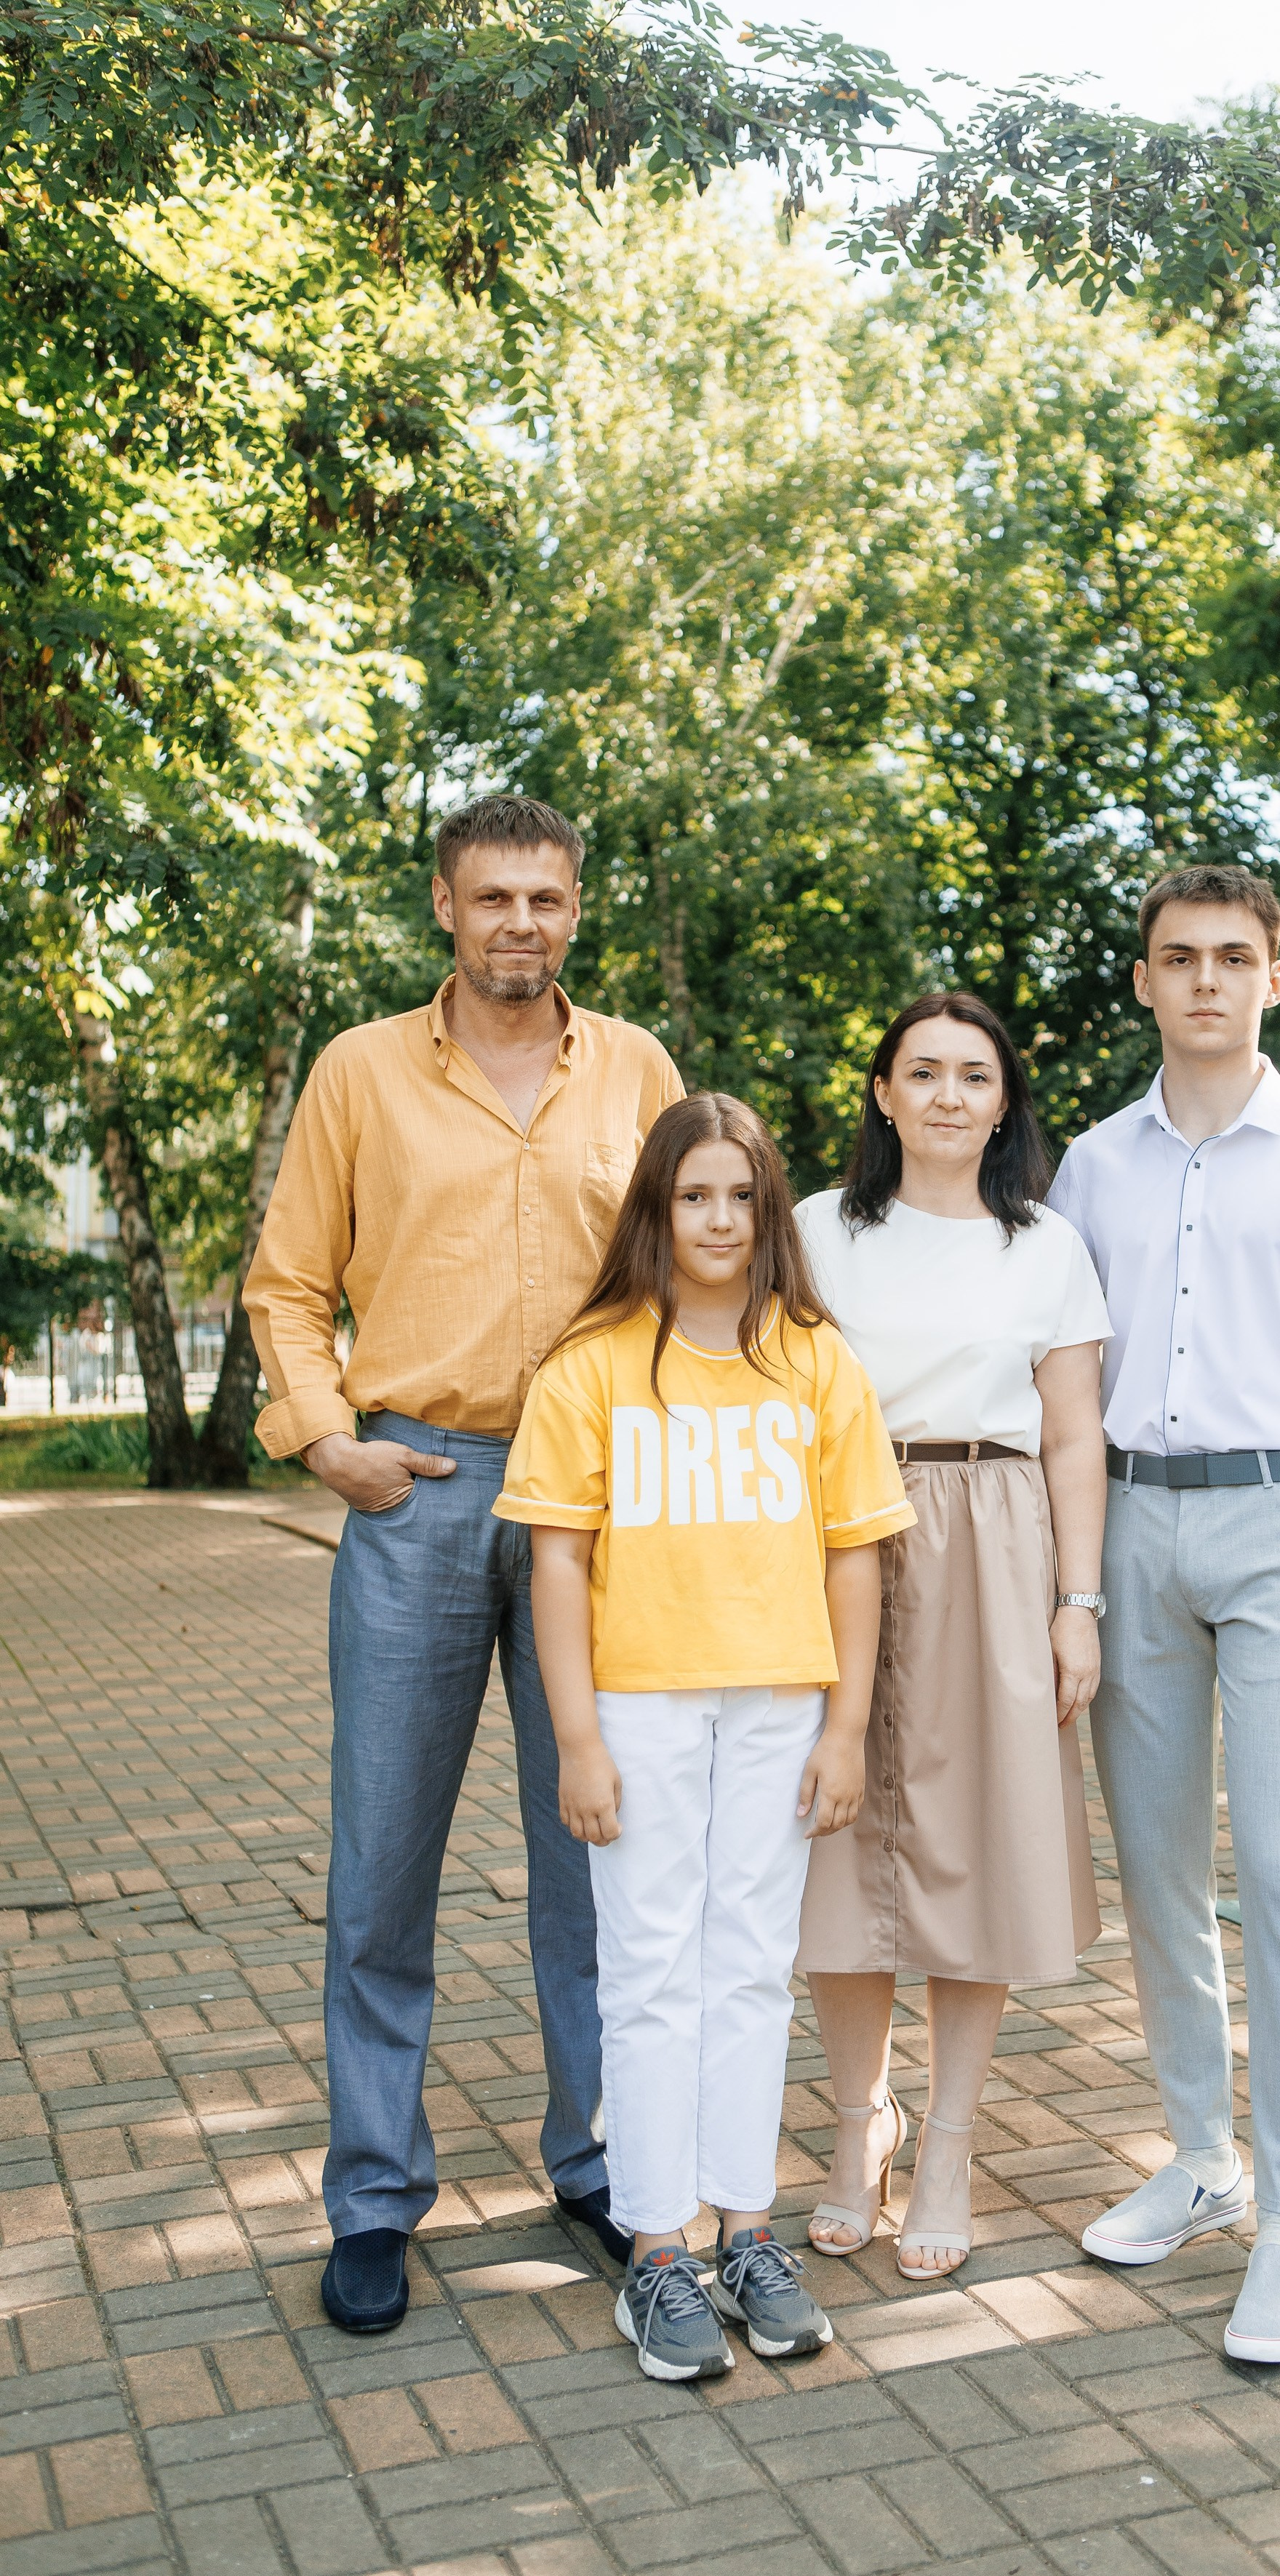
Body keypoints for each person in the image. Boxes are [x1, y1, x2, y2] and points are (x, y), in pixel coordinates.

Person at [244, 793, 683, 2335]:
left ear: (576, 907)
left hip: (597, 1506)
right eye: (492, 895)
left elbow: (694, 1265)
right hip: (416, 1491)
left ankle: (605, 2164)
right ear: (444, 903)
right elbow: (287, 1283)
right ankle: (374, 2195)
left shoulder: (635, 1069)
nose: (519, 922)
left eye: (544, 897)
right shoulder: (360, 1069)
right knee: (380, 1868)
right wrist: (327, 1441)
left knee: (599, 1859)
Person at [1048, 864, 1280, 2366]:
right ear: (1142, 979)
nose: (1203, 977)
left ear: (1272, 974)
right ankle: (1202, 2160)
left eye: (1229, 955)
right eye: (1176, 956)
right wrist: (1067, 1583)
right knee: (1153, 1870)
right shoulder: (1089, 1165)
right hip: (1132, 1525)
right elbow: (1059, 1380)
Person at [496, 1093, 916, 2382]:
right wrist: (577, 1739)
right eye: (694, 1197)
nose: (720, 1220)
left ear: (769, 1210)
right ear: (657, 1210)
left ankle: (744, 2231)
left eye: (742, 1196)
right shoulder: (593, 1364)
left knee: (747, 1968)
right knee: (648, 1969)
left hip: (780, 1708)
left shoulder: (815, 1360)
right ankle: (656, 2250)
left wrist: (845, 1728)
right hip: (639, 1708)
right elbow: (555, 1566)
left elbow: (854, 1558)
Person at [795, 993, 1111, 2279]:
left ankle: (950, 2144)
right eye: (919, 1072)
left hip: (993, 1534)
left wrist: (1077, 1603)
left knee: (978, 1840)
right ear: (881, 1094)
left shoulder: (1046, 1247)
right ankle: (857, 2121)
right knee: (836, 1840)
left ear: (1002, 1101)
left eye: (972, 1075)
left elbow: (1074, 1435)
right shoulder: (815, 1231)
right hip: (838, 1535)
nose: (945, 1095)